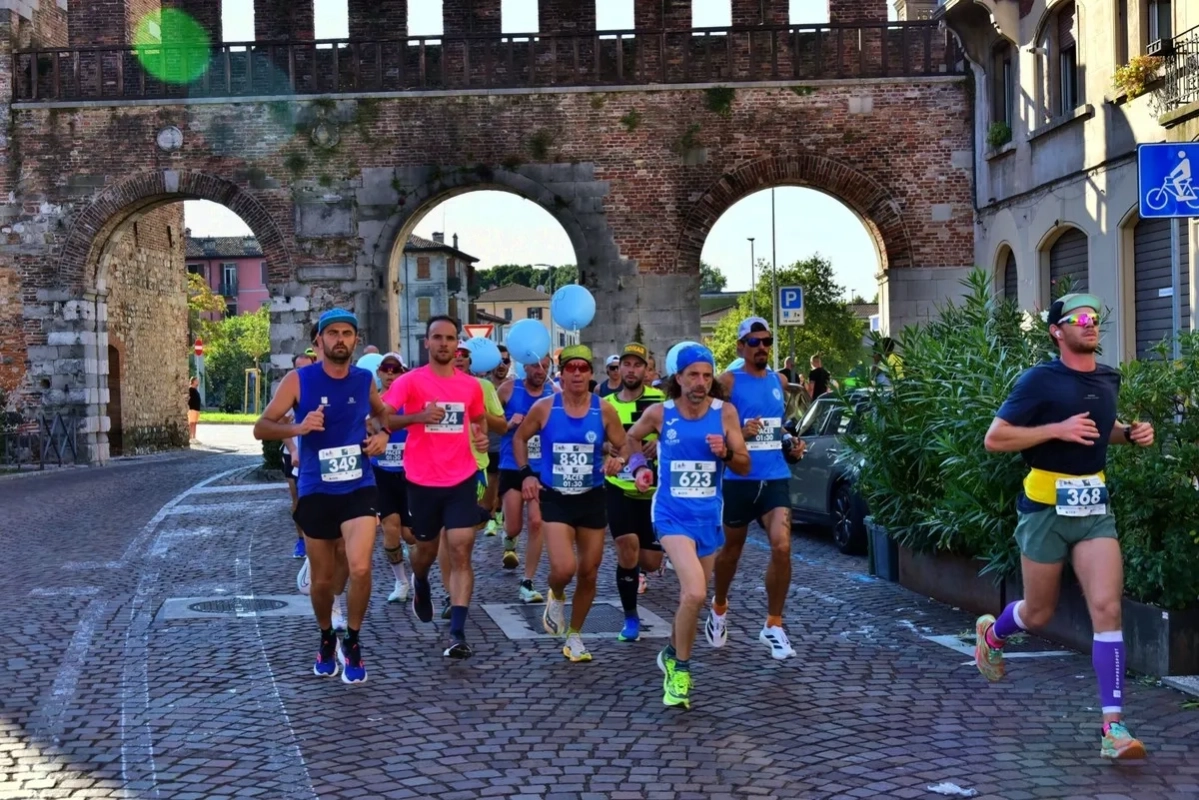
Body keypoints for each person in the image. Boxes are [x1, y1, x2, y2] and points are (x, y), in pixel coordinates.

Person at [977, 293, 1154, 760]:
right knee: (1038, 613)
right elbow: (995, 439)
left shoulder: (1107, 377)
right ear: (1057, 330)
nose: (1090, 323)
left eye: (1095, 316)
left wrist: (1130, 434)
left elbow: (1101, 428)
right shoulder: (1039, 380)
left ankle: (1113, 728)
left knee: (1106, 608)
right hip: (1044, 506)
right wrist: (1054, 430)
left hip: (1094, 505)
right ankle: (993, 636)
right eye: (1079, 318)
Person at [253, 309, 390, 684]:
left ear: (355, 341)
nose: (340, 339)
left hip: (359, 484)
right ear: (319, 341)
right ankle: (327, 635)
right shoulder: (298, 380)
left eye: (347, 333)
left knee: (361, 567)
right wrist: (299, 427)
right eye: (333, 333)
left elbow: (384, 416)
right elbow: (261, 427)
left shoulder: (364, 380)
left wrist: (384, 437)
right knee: (323, 581)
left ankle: (354, 639)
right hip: (316, 488)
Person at [623, 343, 750, 709]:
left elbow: (743, 464)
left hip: (708, 519)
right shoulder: (660, 413)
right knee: (694, 593)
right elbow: (631, 438)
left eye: (707, 375)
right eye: (693, 375)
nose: (701, 382)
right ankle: (680, 670)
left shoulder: (725, 413)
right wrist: (639, 468)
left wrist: (725, 452)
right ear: (677, 378)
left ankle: (670, 651)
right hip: (670, 515)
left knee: (691, 601)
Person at [381, 316, 491, 659]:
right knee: (425, 552)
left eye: (450, 338)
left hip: (461, 477)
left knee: (461, 546)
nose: (444, 344)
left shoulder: (469, 386)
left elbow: (477, 418)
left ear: (457, 344)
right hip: (421, 480)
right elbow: (382, 418)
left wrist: (481, 435)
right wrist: (416, 417)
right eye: (437, 338)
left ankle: (457, 631)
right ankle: (421, 581)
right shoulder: (411, 382)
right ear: (426, 342)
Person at [513, 345, 628, 662]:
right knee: (565, 568)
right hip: (556, 497)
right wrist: (526, 474)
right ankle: (557, 593)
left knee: (589, 571)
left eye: (583, 368)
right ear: (561, 374)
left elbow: (624, 445)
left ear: (591, 374)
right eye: (570, 368)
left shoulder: (603, 409)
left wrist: (619, 460)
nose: (577, 373)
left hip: (592, 496)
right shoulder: (545, 408)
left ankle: (574, 636)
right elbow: (519, 438)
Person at [707, 317, 806, 660]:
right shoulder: (728, 382)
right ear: (740, 347)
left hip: (775, 477)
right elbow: (711, 424)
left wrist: (791, 443)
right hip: (738, 479)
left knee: (782, 546)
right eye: (754, 342)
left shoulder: (779, 380)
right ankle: (719, 607)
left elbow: (776, 429)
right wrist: (740, 436)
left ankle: (773, 624)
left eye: (766, 341)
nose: (762, 347)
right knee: (731, 552)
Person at [432, 341, 508, 618]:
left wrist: (474, 410)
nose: (459, 358)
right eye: (456, 353)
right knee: (444, 534)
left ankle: (457, 589)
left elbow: (502, 425)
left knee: (460, 540)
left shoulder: (483, 388)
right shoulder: (431, 385)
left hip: (473, 469)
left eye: (465, 355)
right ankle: (451, 595)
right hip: (437, 470)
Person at [601, 343, 666, 641]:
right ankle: (630, 617)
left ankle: (648, 562)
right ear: (619, 368)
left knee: (650, 562)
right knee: (627, 548)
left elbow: (679, 434)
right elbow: (595, 440)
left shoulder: (660, 401)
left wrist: (660, 444)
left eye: (637, 365)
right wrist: (606, 449)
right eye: (625, 364)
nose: (630, 369)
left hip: (654, 492)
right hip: (620, 488)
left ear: (646, 369)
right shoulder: (606, 403)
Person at [496, 355, 556, 602]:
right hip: (512, 464)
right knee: (515, 526)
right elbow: (491, 421)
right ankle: (508, 538)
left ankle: (527, 582)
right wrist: (509, 423)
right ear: (524, 366)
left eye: (545, 365)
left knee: (536, 522)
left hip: (542, 467)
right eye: (534, 365)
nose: (540, 370)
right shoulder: (509, 388)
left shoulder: (554, 392)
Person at [370, 352, 414, 604]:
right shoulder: (373, 401)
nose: (390, 374)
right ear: (378, 372)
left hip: (410, 474)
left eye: (395, 369)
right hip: (382, 473)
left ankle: (419, 577)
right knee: (390, 527)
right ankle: (401, 581)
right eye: (385, 369)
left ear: (403, 372)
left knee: (411, 535)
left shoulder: (413, 400)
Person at [283, 352, 316, 560]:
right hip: (293, 453)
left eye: (306, 367)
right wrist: (294, 449)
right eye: (298, 368)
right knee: (297, 499)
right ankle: (301, 540)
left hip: (315, 453)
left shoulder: (320, 387)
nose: (302, 372)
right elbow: (279, 425)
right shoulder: (288, 391)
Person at [483, 345, 512, 536]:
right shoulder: (483, 385)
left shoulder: (514, 386)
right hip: (489, 443)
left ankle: (500, 512)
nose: (502, 365)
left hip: (509, 444)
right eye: (498, 361)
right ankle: (491, 516)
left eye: (506, 361)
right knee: (492, 482)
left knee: (504, 483)